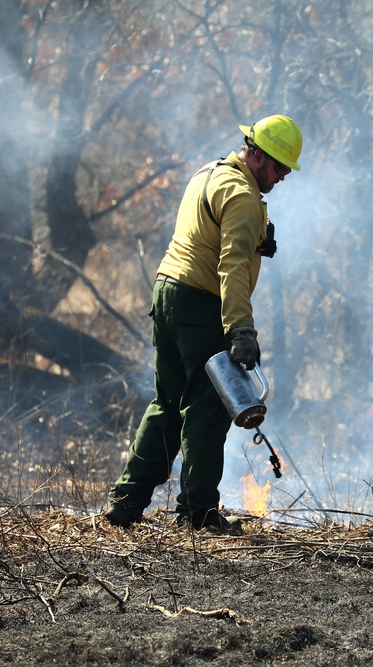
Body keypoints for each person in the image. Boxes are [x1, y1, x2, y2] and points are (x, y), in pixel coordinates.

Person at [104, 114, 303, 532]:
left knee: (168, 403)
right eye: (280, 166)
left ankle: (125, 502)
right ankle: (197, 513)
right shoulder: (243, 197)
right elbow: (230, 266)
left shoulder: (208, 173)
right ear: (258, 155)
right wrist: (241, 331)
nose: (283, 176)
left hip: (167, 294)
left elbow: (207, 235)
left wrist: (255, 238)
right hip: (202, 304)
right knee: (207, 409)